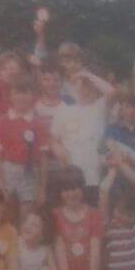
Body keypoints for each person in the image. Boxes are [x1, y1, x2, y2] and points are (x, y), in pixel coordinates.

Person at [51, 166, 107, 270]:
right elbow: (60, 252)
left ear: (82, 188)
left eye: (75, 188)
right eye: (66, 189)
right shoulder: (55, 215)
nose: (71, 193)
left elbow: (96, 251)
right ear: (60, 192)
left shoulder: (94, 214)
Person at [50, 68, 112, 207]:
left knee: (91, 214)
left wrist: (87, 74)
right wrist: (59, 150)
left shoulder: (100, 108)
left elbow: (111, 92)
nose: (85, 90)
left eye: (89, 86)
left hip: (94, 177)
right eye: (81, 86)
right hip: (70, 178)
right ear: (74, 88)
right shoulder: (63, 110)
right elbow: (53, 139)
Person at [0, 75, 48, 215]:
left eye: (26, 92)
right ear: (10, 96)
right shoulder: (2, 121)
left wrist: (42, 188)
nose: (21, 97)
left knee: (27, 211)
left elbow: (43, 158)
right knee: (6, 209)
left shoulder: (38, 123)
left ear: (33, 96)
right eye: (17, 92)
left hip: (30, 171)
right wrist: (0, 183)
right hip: (8, 170)